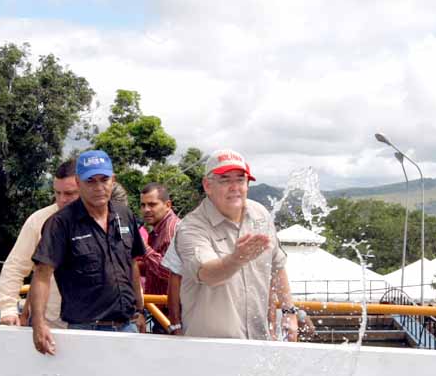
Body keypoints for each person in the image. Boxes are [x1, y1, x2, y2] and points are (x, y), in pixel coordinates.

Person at [29, 150, 148, 355]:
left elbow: (132, 263)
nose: (99, 187)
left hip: (127, 328)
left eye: (104, 180)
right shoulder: (60, 223)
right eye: (90, 181)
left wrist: (139, 310)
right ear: (78, 182)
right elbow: (42, 275)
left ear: (113, 180)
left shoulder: (125, 214)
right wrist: (38, 324)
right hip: (85, 332)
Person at [175, 148, 298, 341]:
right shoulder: (191, 227)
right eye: (225, 180)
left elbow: (277, 266)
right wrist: (236, 260)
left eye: (240, 180)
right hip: (211, 348)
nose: (234, 187)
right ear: (207, 185)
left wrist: (289, 311)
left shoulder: (260, 215)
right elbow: (207, 274)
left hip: (258, 342)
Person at [0, 159, 80, 328]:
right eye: (57, 193)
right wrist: (8, 309)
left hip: (94, 325)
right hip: (49, 325)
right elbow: (15, 267)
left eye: (69, 193)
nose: (62, 199)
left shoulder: (104, 220)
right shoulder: (38, 220)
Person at [139, 182, 181, 333]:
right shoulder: (159, 229)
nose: (146, 210)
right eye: (143, 205)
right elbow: (154, 269)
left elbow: (170, 272)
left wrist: (144, 248)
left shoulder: (171, 230)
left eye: (152, 204)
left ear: (168, 205)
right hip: (159, 313)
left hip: (171, 316)